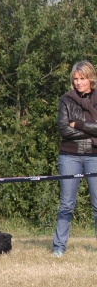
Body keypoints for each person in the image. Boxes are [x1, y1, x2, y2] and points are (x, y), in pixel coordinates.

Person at [53, 60, 97, 257]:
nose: (78, 82)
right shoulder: (65, 99)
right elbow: (64, 129)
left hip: (94, 156)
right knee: (66, 204)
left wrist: (78, 124)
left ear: (91, 78)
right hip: (69, 155)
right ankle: (59, 247)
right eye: (76, 79)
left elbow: (72, 127)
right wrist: (92, 131)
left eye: (82, 78)